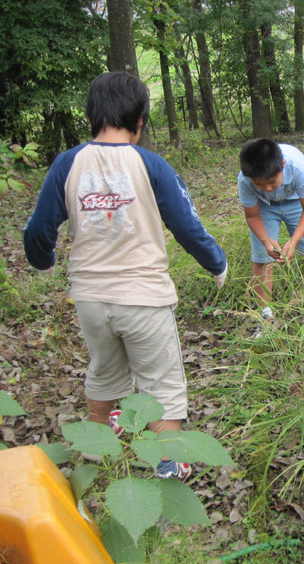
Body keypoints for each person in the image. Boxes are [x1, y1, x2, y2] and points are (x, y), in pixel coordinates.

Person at [23, 71, 227, 479]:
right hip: (144, 297)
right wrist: (216, 263)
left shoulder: (67, 163)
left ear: (91, 117)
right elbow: (187, 226)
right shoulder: (151, 165)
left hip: (90, 298)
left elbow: (37, 229)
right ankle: (169, 463)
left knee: (104, 369)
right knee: (161, 382)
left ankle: (94, 449)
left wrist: (43, 261)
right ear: (140, 120)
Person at [237, 138, 304, 331]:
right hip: (264, 206)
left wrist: (294, 240)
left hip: (297, 202)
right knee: (262, 259)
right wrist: (265, 240)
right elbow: (252, 216)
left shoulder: (297, 168)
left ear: (282, 165)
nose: (268, 188)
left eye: (272, 182)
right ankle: (265, 317)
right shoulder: (245, 180)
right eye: (260, 185)